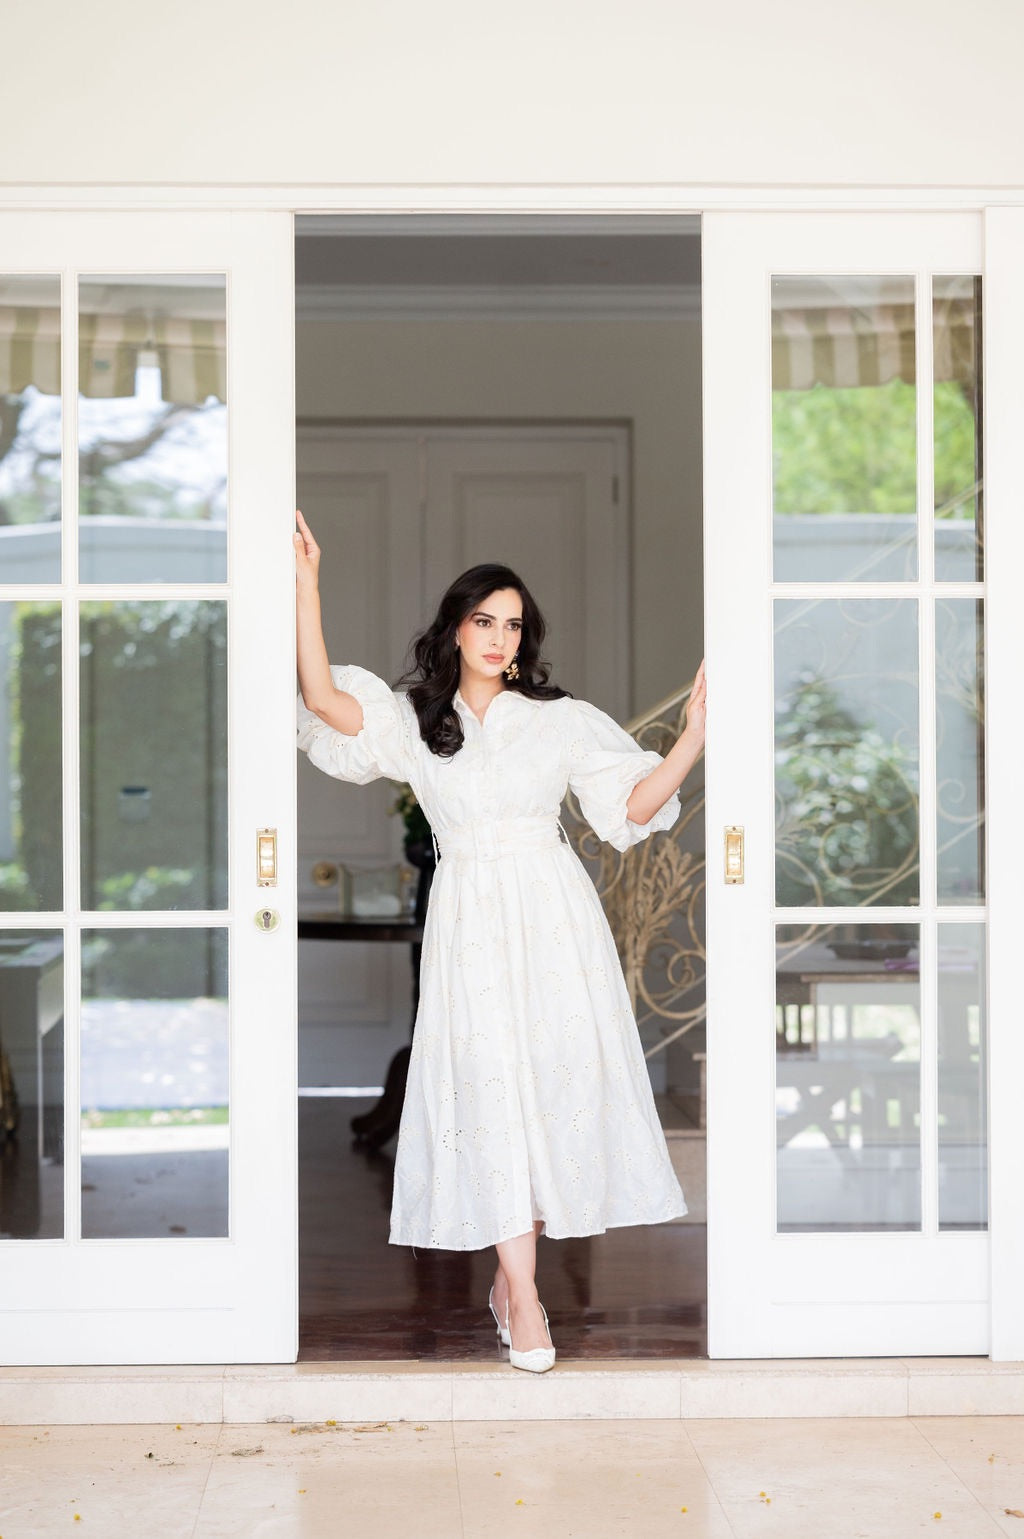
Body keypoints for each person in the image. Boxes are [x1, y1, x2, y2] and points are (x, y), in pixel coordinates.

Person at [294, 509, 707, 1373]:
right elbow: (328, 701)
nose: (498, 635)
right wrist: (308, 586)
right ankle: (522, 1291)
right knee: (489, 1092)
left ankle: (514, 1280)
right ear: (455, 626)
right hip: (469, 917)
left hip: (553, 915)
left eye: (512, 623)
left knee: (546, 1090)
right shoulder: (413, 717)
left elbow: (626, 808)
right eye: (484, 618)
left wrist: (693, 742)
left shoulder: (559, 719)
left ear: (524, 640)